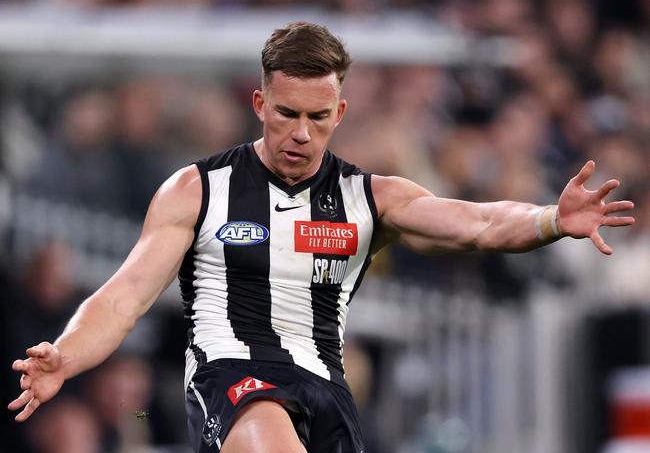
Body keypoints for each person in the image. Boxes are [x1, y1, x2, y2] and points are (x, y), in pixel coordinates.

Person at [8, 22, 635, 453]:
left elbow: (477, 224)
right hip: (233, 380)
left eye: (316, 117)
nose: (301, 134)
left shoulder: (372, 198)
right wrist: (67, 354)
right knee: (264, 429)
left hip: (327, 388)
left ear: (340, 113)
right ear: (259, 103)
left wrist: (552, 219)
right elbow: (124, 296)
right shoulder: (196, 191)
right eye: (286, 114)